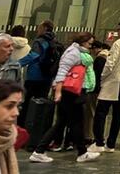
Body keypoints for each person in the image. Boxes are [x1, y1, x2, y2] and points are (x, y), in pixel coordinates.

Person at [29, 31, 98, 163]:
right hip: (70, 93)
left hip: (68, 92)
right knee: (75, 122)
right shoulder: (74, 53)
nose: (91, 45)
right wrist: (58, 91)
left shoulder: (76, 52)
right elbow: (62, 71)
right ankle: (82, 152)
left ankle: (40, 150)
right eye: (90, 43)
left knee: (62, 122)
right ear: (83, 42)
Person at [89, 21, 120, 154]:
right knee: (117, 115)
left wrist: (102, 78)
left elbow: (110, 64)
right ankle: (111, 144)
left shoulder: (118, 44)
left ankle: (99, 142)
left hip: (111, 83)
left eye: (119, 29)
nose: (117, 31)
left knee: (101, 113)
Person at [17, 20, 59, 126]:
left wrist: (17, 63)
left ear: (44, 28)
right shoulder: (54, 41)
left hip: (34, 76)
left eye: (39, 27)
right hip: (47, 76)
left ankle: (23, 125)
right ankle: (37, 125)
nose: (37, 29)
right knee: (41, 102)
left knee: (28, 102)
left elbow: (34, 55)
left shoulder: (39, 41)